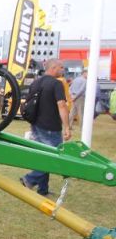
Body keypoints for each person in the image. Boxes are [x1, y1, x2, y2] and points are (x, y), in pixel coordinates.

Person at [20, 59, 71, 197]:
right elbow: (62, 106)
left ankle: (43, 190)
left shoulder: (36, 82)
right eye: (61, 67)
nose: (63, 70)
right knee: (54, 159)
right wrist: (67, 127)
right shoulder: (56, 84)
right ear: (53, 67)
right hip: (51, 127)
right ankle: (29, 180)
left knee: (43, 156)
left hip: (36, 124)